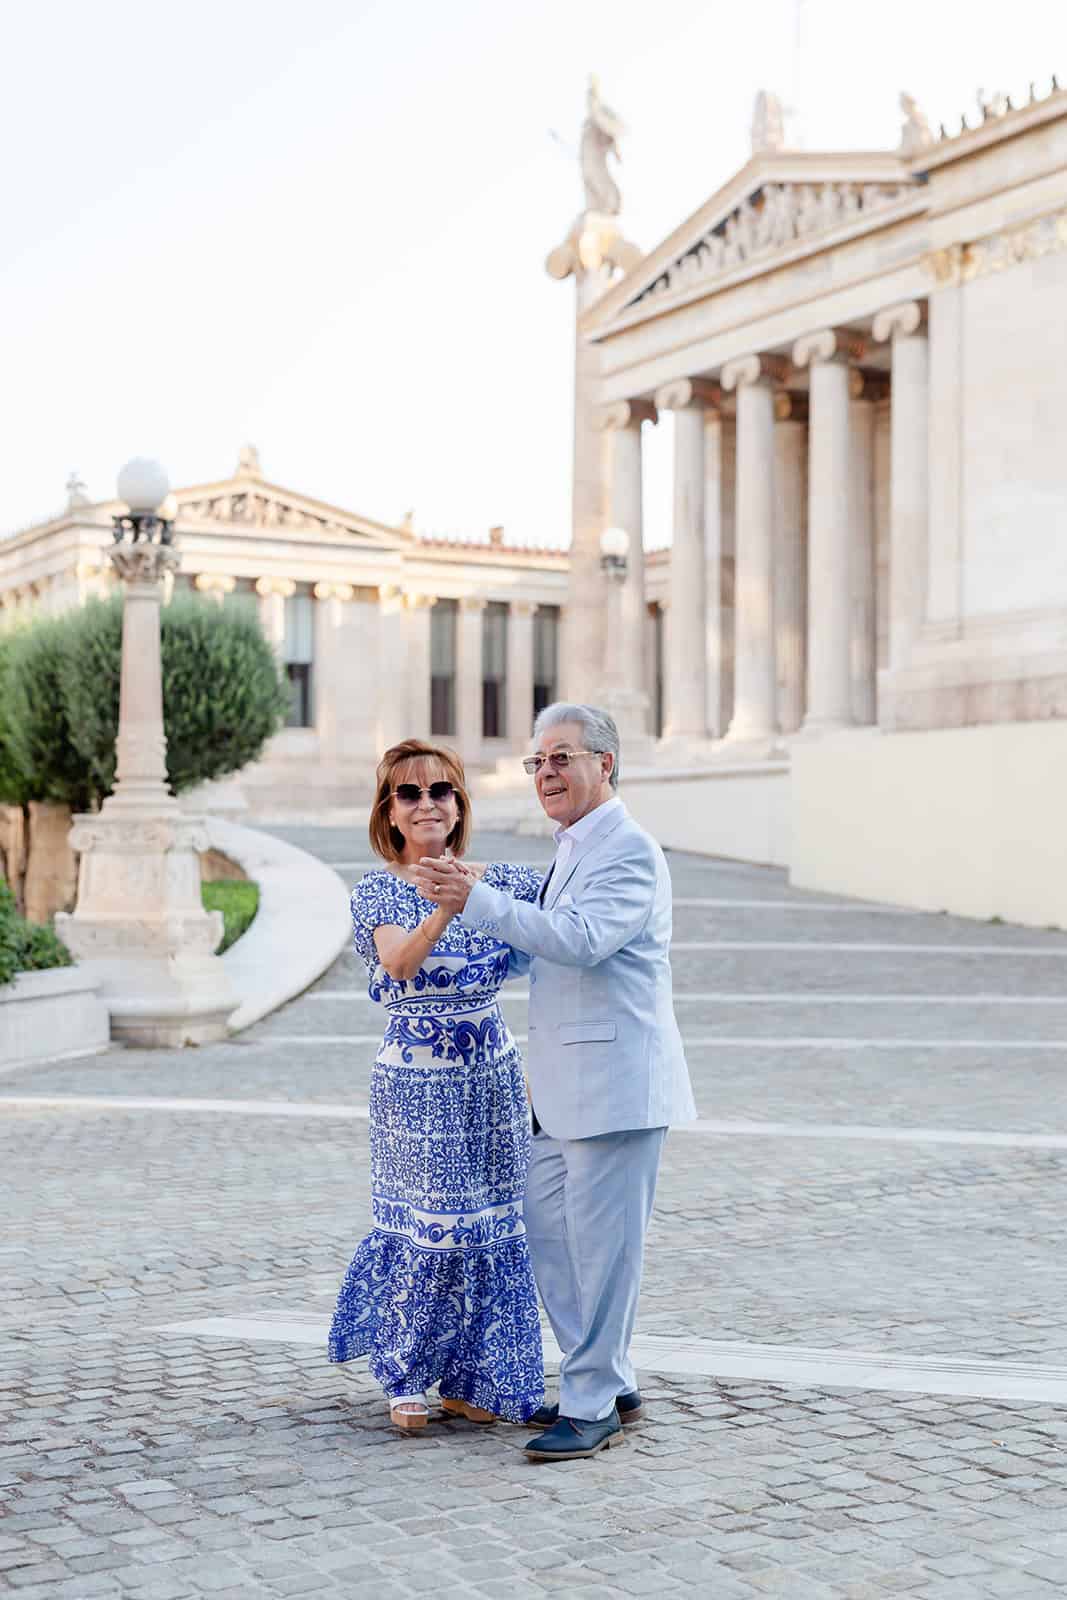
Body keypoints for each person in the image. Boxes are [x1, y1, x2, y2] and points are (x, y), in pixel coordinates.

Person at [415, 703, 696, 1463]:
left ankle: (590, 1402)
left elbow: (581, 940)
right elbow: (538, 945)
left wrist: (475, 901)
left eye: (561, 758)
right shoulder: (572, 846)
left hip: (616, 1088)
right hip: (560, 1091)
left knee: (603, 1255)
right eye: (536, 761)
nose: (546, 773)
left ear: (606, 763)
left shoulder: (628, 850)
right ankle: (608, 1379)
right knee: (551, 1241)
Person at [327, 740, 544, 1430]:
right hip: (417, 1085)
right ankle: (406, 1373)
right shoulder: (377, 890)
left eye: (441, 790)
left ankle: (475, 1377)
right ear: (388, 812)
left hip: (492, 1077)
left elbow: (573, 907)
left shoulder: (499, 880)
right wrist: (450, 905)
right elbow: (398, 962)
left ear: (459, 805)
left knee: (493, 1222)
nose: (427, 803)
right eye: (410, 793)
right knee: (430, 1224)